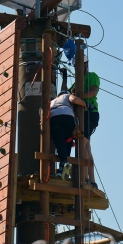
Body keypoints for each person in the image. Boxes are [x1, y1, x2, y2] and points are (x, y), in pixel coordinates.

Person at [69, 56, 100, 188]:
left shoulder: (92, 76)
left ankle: (86, 178)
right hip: (80, 116)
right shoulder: (75, 83)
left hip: (89, 114)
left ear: (86, 65)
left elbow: (93, 92)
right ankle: (91, 180)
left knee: (84, 143)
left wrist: (78, 96)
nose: (78, 69)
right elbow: (68, 94)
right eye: (76, 67)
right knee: (86, 146)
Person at [50, 69, 87, 179]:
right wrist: (84, 104)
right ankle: (65, 163)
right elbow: (74, 99)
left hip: (54, 118)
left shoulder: (52, 101)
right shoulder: (66, 96)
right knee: (69, 139)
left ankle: (63, 164)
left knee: (59, 141)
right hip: (67, 116)